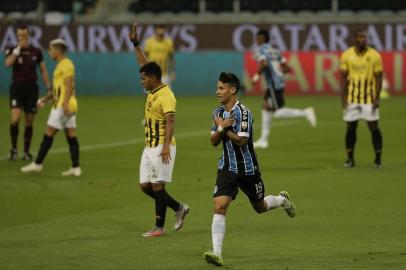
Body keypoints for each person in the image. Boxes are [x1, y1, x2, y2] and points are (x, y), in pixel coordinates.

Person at [203, 72, 296, 266]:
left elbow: (242, 140)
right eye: (217, 87)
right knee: (220, 205)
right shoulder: (218, 113)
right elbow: (213, 142)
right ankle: (217, 253)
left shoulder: (243, 112)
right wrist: (220, 128)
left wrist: (224, 128)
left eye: (221, 88)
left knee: (259, 207)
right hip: (227, 167)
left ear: (232, 90)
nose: (217, 91)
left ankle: (282, 200)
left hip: (248, 169)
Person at [129, 23, 189, 237]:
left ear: (153, 79)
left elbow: (171, 122)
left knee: (157, 187)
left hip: (162, 147)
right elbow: (145, 65)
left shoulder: (166, 95)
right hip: (149, 146)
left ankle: (159, 227)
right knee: (145, 186)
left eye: (143, 79)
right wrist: (136, 44)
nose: (141, 81)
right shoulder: (152, 90)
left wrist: (165, 148)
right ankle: (179, 208)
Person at [21, 39, 81, 176]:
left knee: (48, 133)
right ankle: (75, 168)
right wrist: (45, 99)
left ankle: (37, 164)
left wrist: (64, 103)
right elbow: (57, 90)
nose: (49, 52)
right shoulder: (61, 65)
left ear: (57, 51)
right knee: (71, 135)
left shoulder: (66, 64)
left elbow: (69, 84)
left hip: (63, 106)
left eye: (51, 49)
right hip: (67, 104)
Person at [253, 29, 317, 149]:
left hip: (273, 84)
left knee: (277, 112)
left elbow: (264, 64)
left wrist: (256, 76)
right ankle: (263, 140)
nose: (256, 40)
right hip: (279, 83)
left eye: (257, 38)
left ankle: (305, 112)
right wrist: (279, 72)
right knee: (266, 107)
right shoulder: (275, 51)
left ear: (262, 38)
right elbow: (287, 68)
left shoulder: (261, 50)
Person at [4, 24, 51, 161]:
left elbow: (42, 70)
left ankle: (26, 152)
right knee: (15, 119)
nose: (22, 37)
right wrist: (18, 49)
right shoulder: (12, 49)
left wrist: (48, 87)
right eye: (20, 35)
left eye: (24, 35)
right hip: (17, 87)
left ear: (29, 35)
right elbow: (7, 63)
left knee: (29, 121)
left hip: (31, 88)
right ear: (17, 36)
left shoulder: (36, 51)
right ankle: (13, 149)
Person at [340, 29, 383, 168]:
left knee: (374, 127)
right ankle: (350, 159)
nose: (363, 39)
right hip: (352, 98)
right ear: (354, 39)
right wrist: (343, 98)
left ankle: (377, 158)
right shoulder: (347, 55)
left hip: (369, 98)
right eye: (360, 36)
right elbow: (343, 79)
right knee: (351, 127)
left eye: (365, 37)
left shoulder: (375, 55)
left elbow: (379, 78)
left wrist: (377, 98)